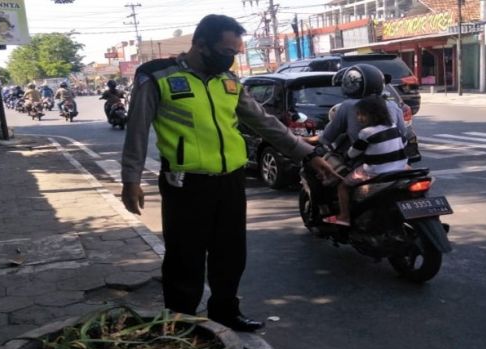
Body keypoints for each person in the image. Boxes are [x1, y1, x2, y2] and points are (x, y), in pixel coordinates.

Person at [120, 14, 338, 332]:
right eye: (226, 51)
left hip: (231, 181)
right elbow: (136, 130)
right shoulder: (156, 76)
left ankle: (225, 311)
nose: (231, 59)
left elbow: (264, 122)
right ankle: (181, 323)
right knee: (185, 259)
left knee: (231, 254)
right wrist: (130, 180)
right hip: (185, 185)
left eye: (236, 52)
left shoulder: (229, 81)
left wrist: (308, 154)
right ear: (200, 44)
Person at [323, 95, 408, 226]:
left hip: (374, 172)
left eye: (362, 115)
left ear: (374, 115)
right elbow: (405, 142)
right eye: (358, 115)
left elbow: (352, 154)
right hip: (400, 168)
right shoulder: (393, 127)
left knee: (343, 186)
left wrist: (345, 156)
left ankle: (344, 216)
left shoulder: (366, 133)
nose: (359, 118)